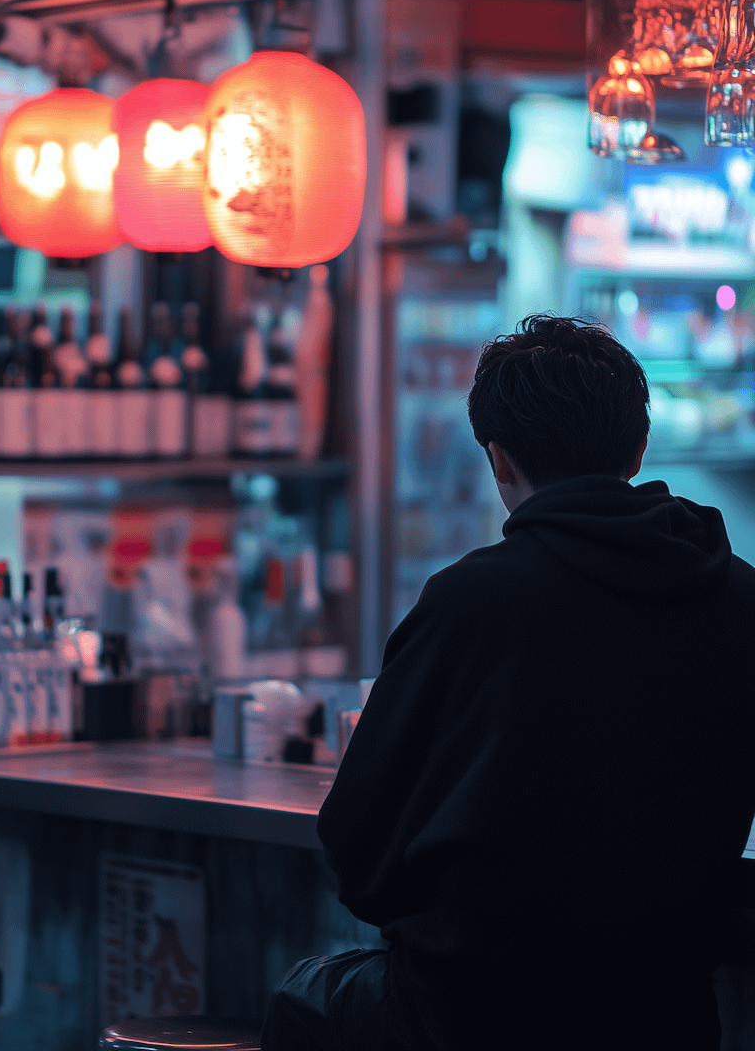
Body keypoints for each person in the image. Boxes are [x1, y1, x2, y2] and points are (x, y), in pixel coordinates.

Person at [262, 315, 755, 1051]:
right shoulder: (740, 597)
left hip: (471, 1014)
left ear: (498, 461)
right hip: (669, 1016)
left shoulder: (470, 601)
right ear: (639, 447)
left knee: (300, 997)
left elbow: (358, 846)